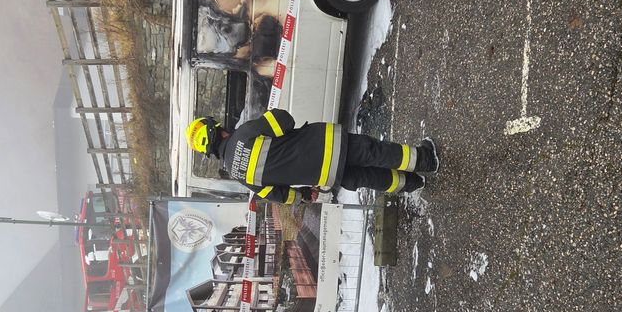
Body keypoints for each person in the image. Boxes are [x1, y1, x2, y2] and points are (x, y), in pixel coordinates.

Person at [184, 109, 439, 204]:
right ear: (217, 129)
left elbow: (279, 195)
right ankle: (425, 160)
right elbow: (285, 120)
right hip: (328, 146)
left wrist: (306, 194)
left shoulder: (238, 174)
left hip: (325, 175)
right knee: (377, 153)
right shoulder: (244, 134)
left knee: (370, 177)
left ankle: (413, 184)